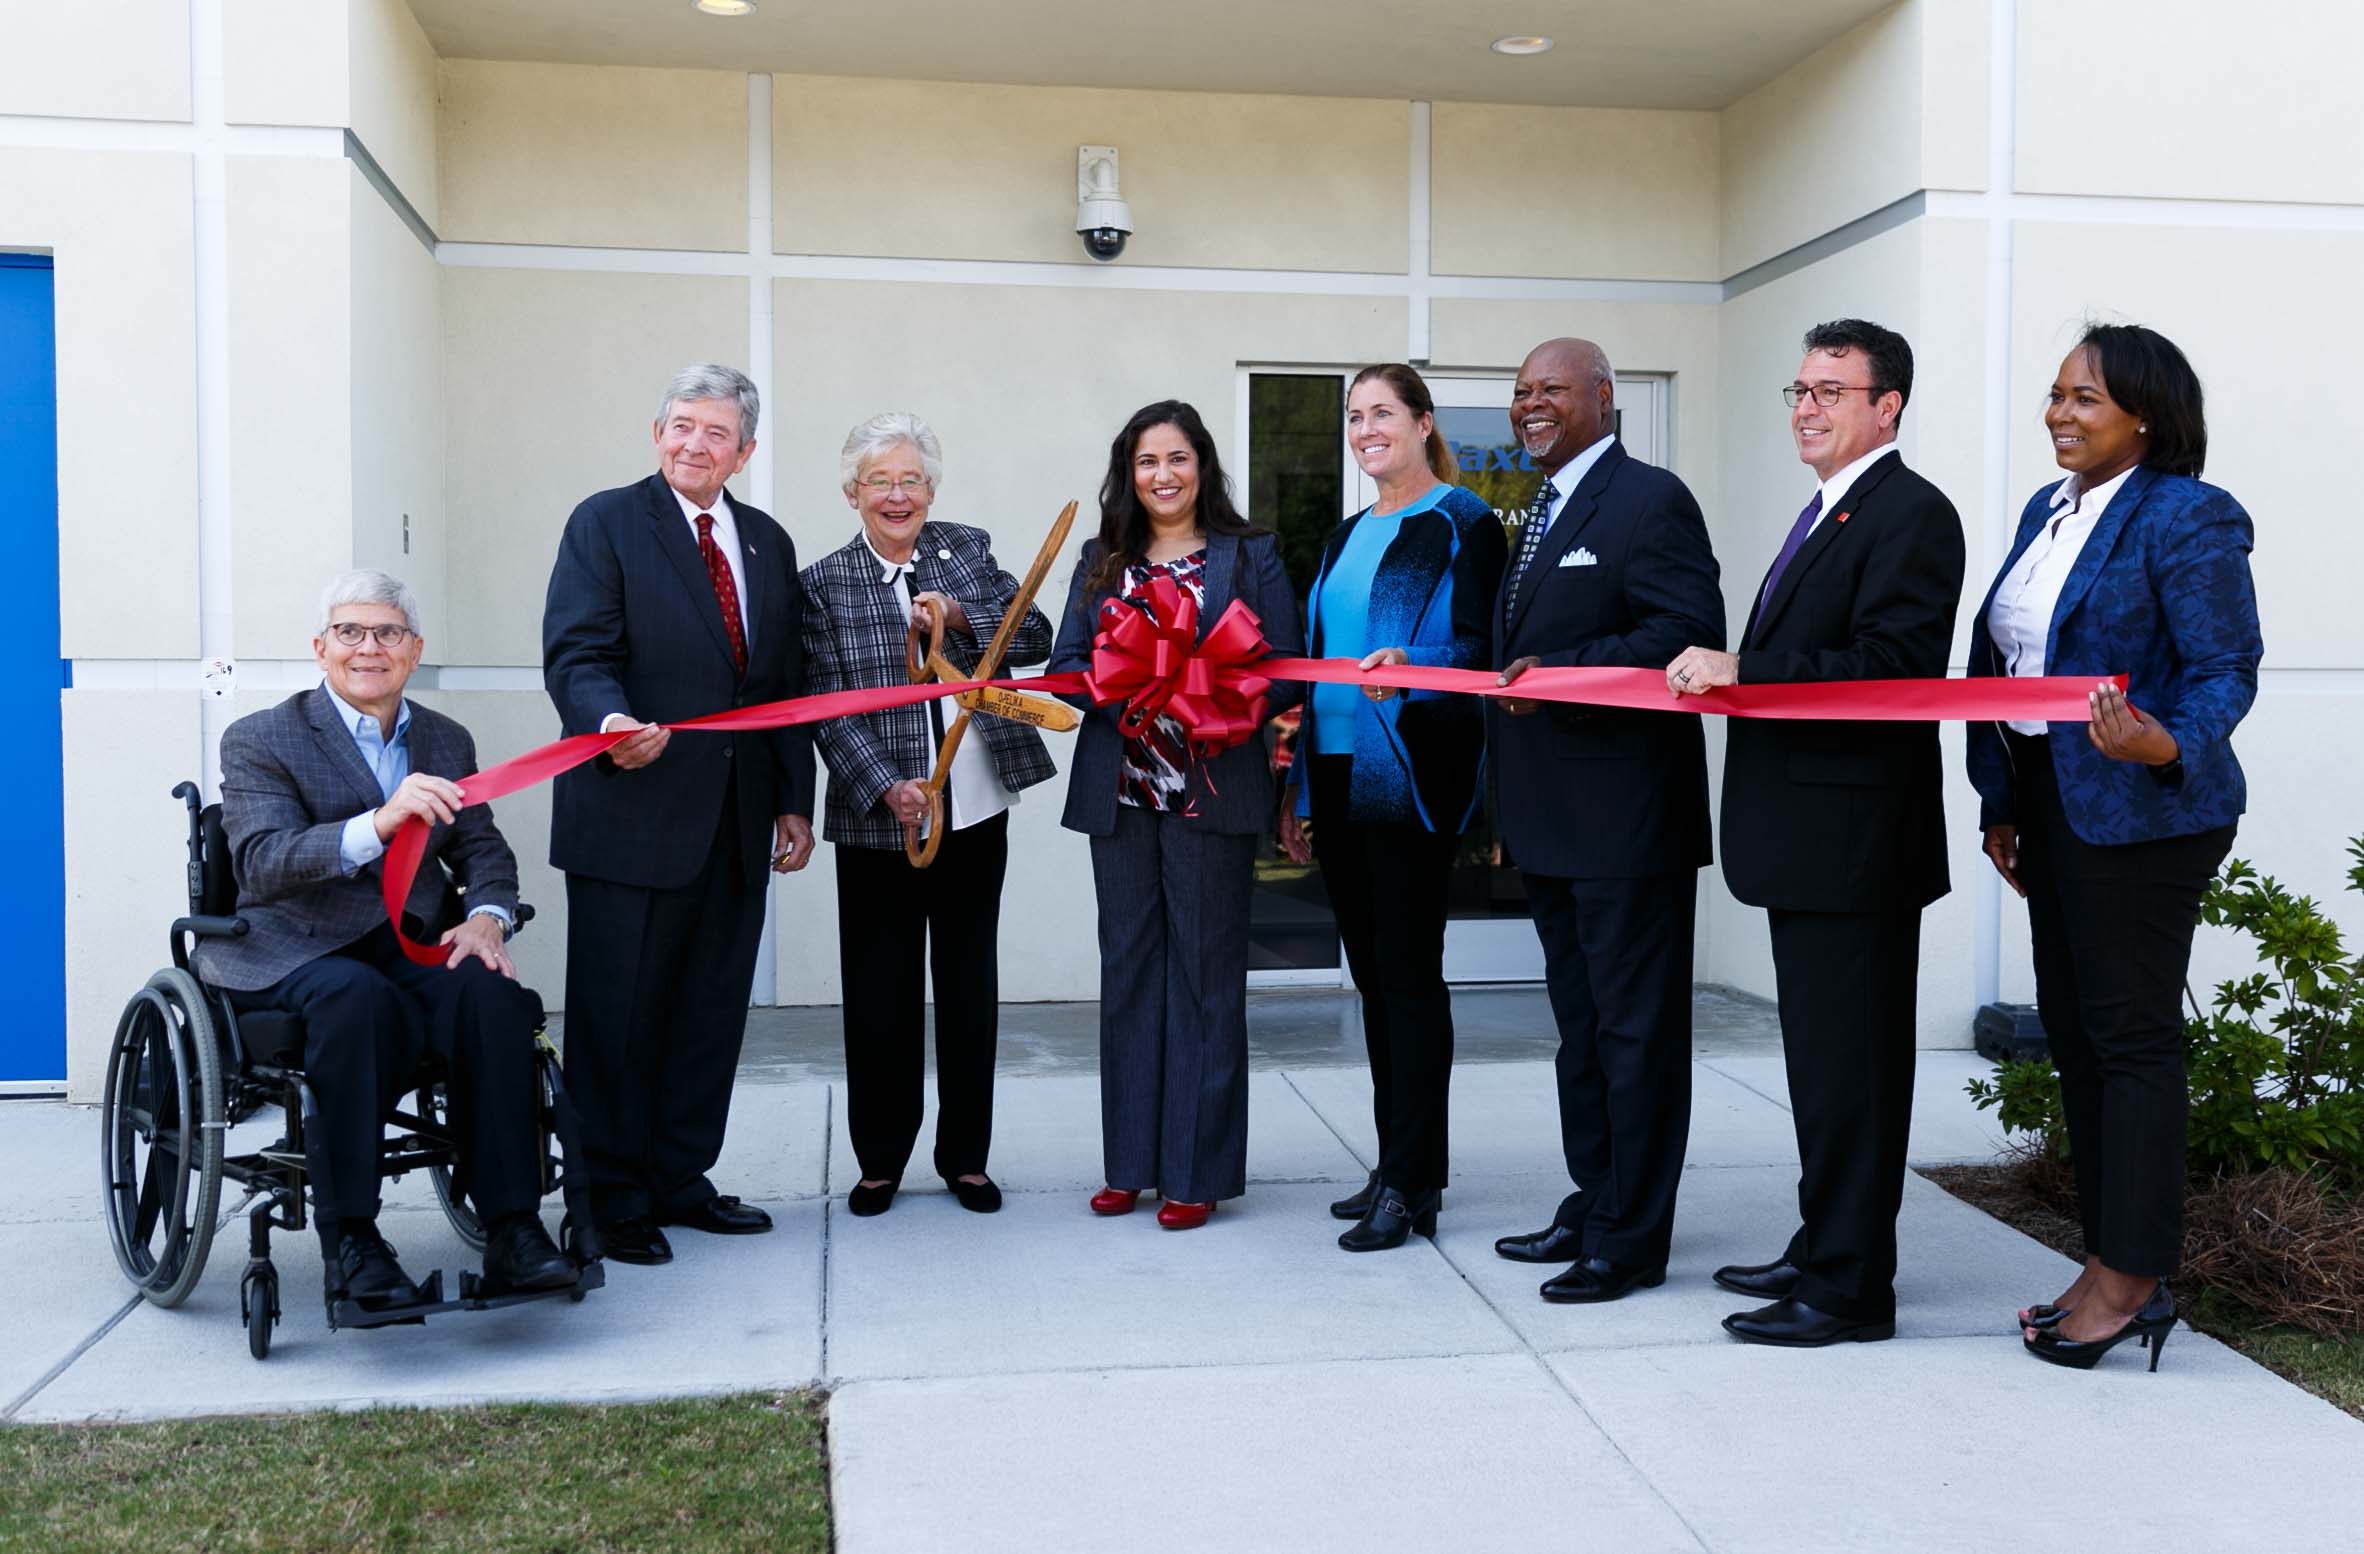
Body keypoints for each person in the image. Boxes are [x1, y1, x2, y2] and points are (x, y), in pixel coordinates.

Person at [1967, 323, 2259, 1371]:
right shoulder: (2049, 512)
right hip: (2052, 808)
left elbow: (2227, 667)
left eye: (2085, 397)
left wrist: (2163, 741)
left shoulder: (2188, 514)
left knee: (2130, 1044)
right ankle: (2106, 1261)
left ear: (2147, 416)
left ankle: (2133, 1282)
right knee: (2079, 1039)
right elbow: (2007, 668)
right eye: (2056, 394)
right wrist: (2003, 800)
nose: (2060, 413)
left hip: (2147, 813)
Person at [1668, 318, 1965, 1347]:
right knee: (1825, 1073)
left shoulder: (1912, 514)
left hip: (1856, 848)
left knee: (1854, 1077)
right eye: (1799, 390)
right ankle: (1825, 1242)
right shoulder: (1828, 509)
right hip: (1808, 843)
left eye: (1831, 391)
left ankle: (1850, 1289)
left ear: (1888, 407)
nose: (1806, 407)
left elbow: (1892, 666)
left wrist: (1743, 668)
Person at [197, 570, 576, 1308]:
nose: (369, 647)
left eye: (388, 633)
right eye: (350, 632)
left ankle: (513, 1228)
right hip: (294, 948)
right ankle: (352, 1242)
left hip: (406, 945)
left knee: (495, 997)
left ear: (414, 650)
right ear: (321, 648)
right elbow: (263, 861)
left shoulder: (443, 739)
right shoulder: (262, 738)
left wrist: (488, 915)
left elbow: (482, 848)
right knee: (357, 1000)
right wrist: (379, 824)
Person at [542, 362, 817, 1267]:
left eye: (717, 433)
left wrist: (792, 799)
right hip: (631, 813)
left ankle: (679, 1178)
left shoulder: (767, 543)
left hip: (736, 823)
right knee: (617, 1021)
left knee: (708, 1015)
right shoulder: (606, 523)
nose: (697, 444)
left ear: (745, 450)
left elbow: (781, 686)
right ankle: (610, 1198)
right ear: (657, 433)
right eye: (683, 426)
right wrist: (607, 723)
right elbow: (577, 654)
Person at [1488, 338, 1724, 1303]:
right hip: (1551, 821)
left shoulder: (1650, 500)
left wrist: (1567, 672)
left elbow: (1684, 635)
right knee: (1581, 1034)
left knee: (1635, 1037)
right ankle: (1594, 1202)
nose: (1531, 404)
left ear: (1603, 396)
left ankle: (1632, 1239)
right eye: (1520, 392)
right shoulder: (1537, 511)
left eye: (1551, 389)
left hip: (1629, 824)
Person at [1048, 400, 1305, 1230]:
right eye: (1147, 462)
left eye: (1178, 459)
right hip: (1120, 797)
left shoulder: (1251, 554)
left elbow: (1287, 668)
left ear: (1203, 466)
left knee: (1204, 979)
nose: (1163, 475)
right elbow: (1067, 666)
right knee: (1127, 974)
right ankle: (1130, 1164)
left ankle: (1196, 1171)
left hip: (1209, 793)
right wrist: (1133, 687)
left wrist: (1210, 694)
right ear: (1129, 474)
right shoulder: (1102, 558)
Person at [799, 412, 1056, 1218]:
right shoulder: (823, 584)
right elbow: (826, 705)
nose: (897, 495)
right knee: (880, 990)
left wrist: (962, 616)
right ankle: (881, 1159)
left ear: (932, 490)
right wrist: (888, 787)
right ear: (852, 493)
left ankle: (965, 1158)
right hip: (880, 818)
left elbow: (1036, 634)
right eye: (880, 481)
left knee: (969, 983)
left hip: (974, 808)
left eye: (911, 479)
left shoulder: (966, 551)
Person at [1276, 365, 1502, 1252]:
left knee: (1408, 980)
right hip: (1333, 773)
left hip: (1405, 777)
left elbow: (1484, 651)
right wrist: (1297, 791)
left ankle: (1415, 1180)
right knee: (1374, 980)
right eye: (1354, 415)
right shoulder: (1344, 535)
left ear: (1422, 423)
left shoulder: (1463, 521)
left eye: (1383, 413)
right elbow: (1318, 670)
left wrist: (1415, 662)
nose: (1366, 428)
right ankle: (1394, 1163)